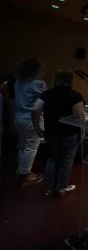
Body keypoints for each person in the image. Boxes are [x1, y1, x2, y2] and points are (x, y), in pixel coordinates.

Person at [32, 70, 84, 197]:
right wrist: (82, 132)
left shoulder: (47, 94)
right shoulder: (75, 95)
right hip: (69, 133)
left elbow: (35, 109)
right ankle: (61, 188)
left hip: (51, 132)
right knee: (66, 160)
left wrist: (37, 128)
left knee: (52, 159)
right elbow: (80, 116)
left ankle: (50, 189)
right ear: (71, 81)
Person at [14, 58, 47, 186]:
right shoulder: (38, 83)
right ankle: (26, 175)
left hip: (18, 118)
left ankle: (22, 170)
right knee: (31, 146)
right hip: (31, 119)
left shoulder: (18, 83)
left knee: (23, 145)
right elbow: (45, 99)